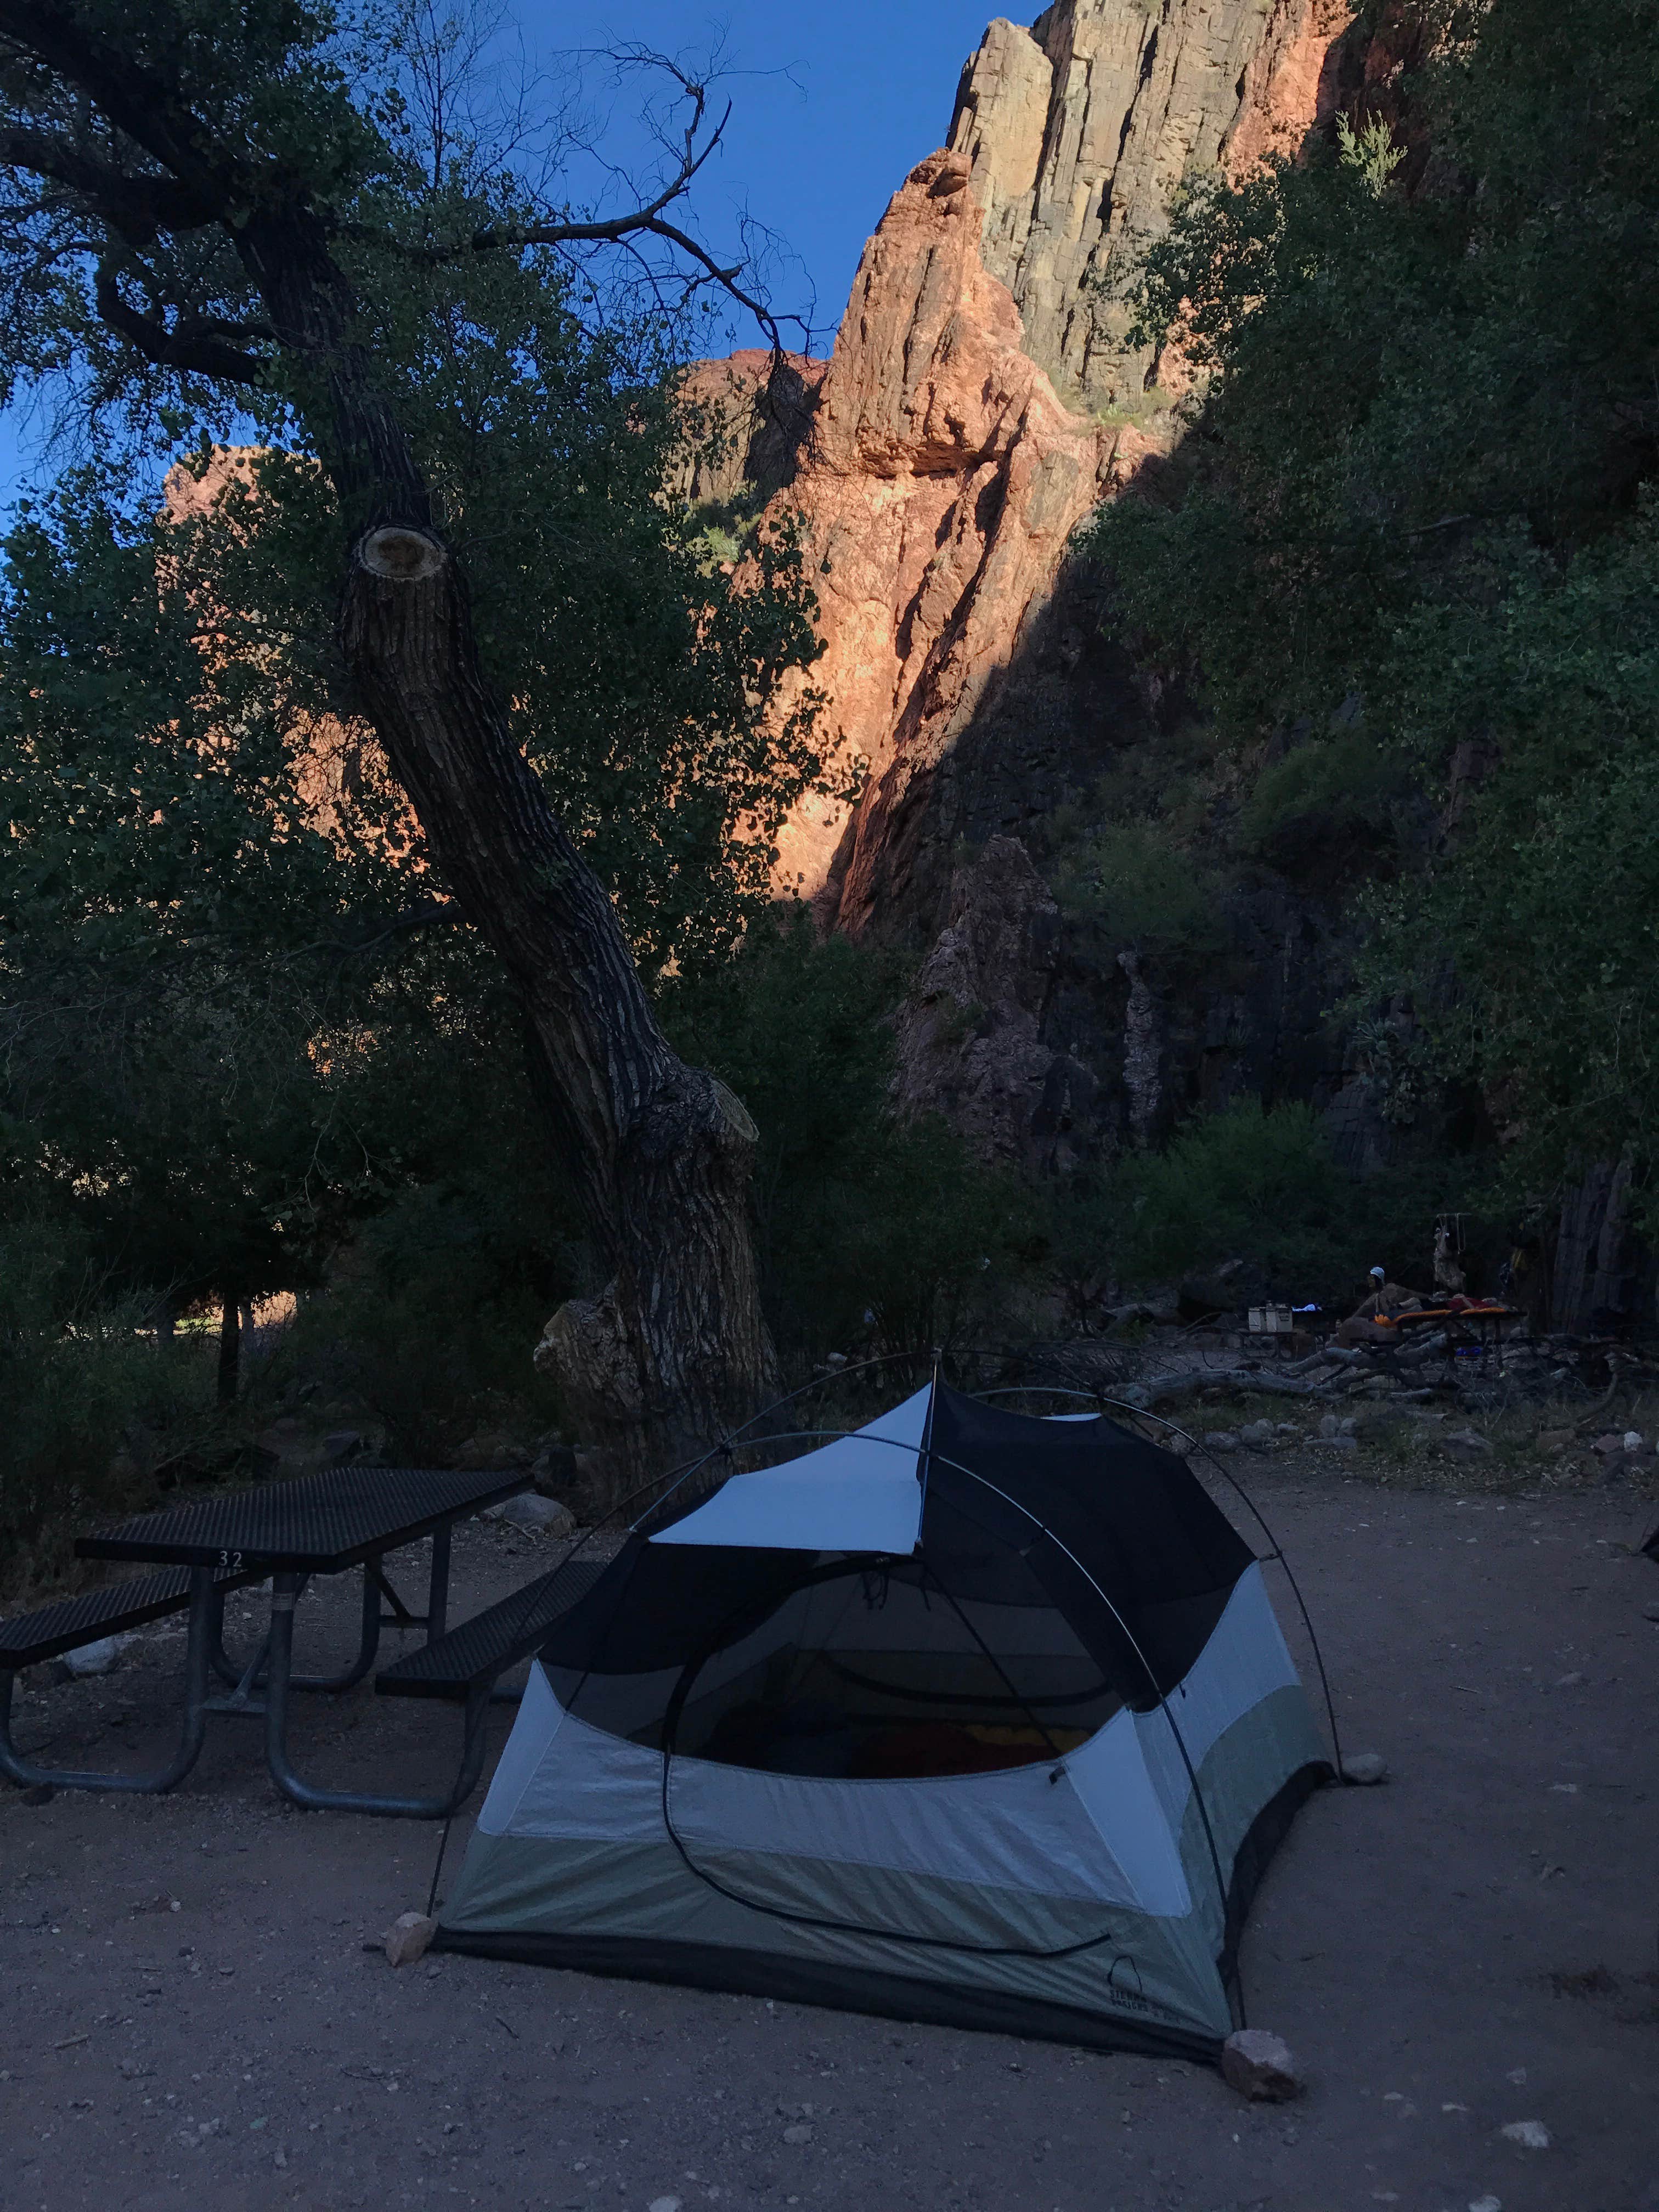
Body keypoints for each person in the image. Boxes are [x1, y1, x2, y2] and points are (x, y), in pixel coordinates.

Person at [1334, 1265, 1427, 1347]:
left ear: (1378, 1279)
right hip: (1387, 1322)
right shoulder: (1378, 1295)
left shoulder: (1387, 1291)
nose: (1369, 1281)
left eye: (1372, 1278)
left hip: (1391, 1324)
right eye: (1369, 1278)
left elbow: (1389, 1312)